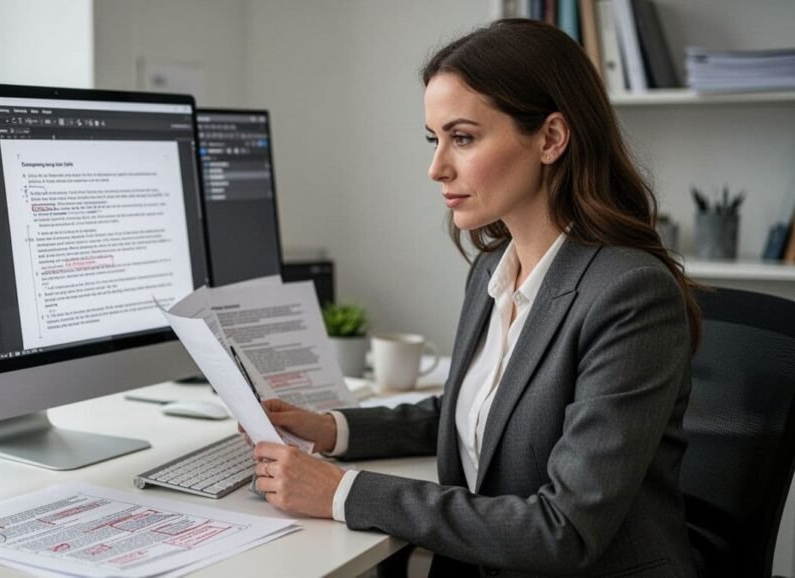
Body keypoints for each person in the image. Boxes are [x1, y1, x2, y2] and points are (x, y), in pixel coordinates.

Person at [250, 19, 702, 578]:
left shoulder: (630, 295)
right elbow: (482, 412)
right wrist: (335, 430)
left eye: (462, 138)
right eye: (433, 139)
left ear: (551, 138)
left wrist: (345, 493)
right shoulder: (494, 266)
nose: (437, 167)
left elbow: (563, 530)